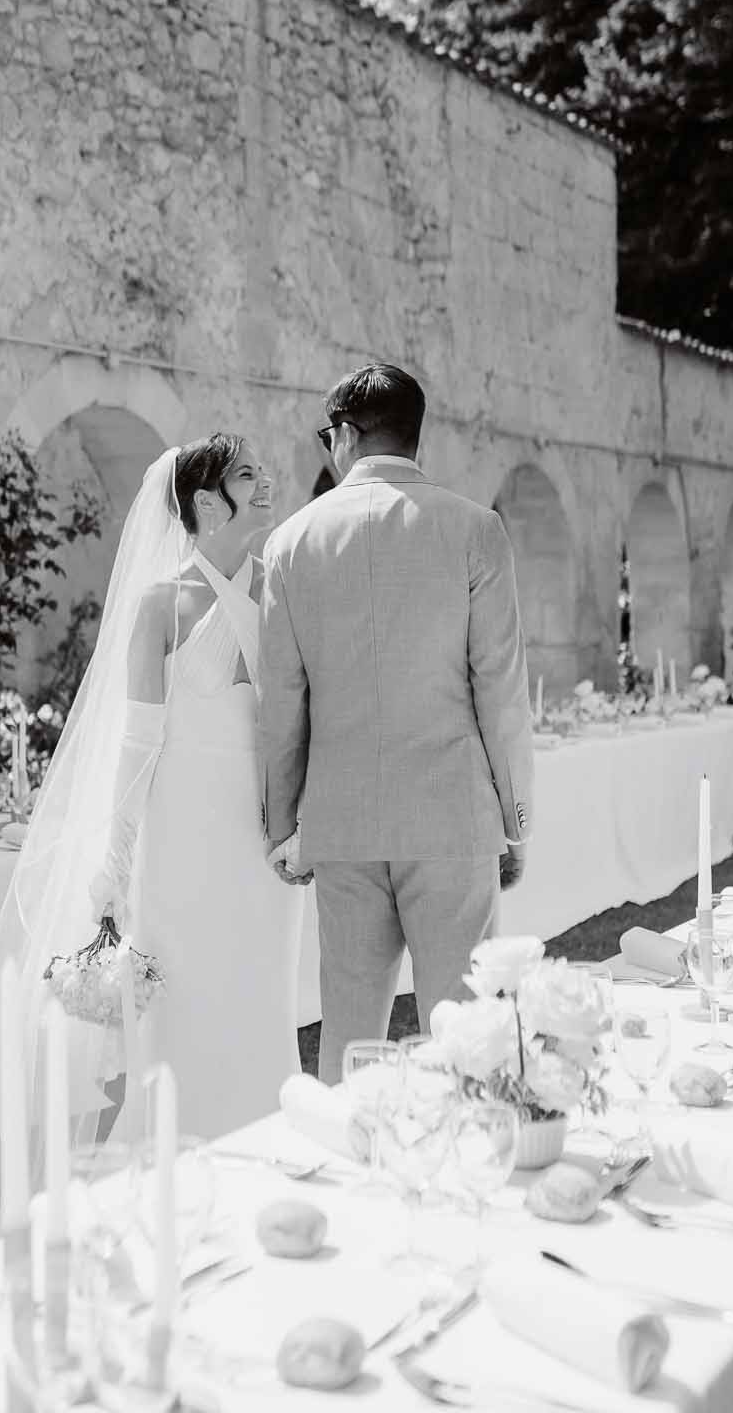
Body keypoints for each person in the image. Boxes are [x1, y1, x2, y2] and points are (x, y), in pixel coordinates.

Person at [0, 434, 302, 1213]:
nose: (266, 482)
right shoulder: (162, 604)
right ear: (204, 503)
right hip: (182, 844)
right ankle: (176, 1170)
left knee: (263, 997)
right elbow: (135, 744)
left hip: (262, 844)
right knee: (189, 1006)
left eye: (262, 471)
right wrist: (116, 859)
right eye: (246, 475)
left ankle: (266, 1154)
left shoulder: (282, 591)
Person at [258, 362, 532, 1085]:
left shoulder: (289, 543)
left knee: (348, 1047)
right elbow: (500, 690)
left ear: (346, 435)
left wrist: (283, 825)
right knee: (469, 1039)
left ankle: (346, 1178)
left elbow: (283, 702)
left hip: (341, 823)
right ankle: (474, 1171)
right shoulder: (476, 530)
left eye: (328, 436)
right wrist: (514, 819)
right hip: (450, 815)